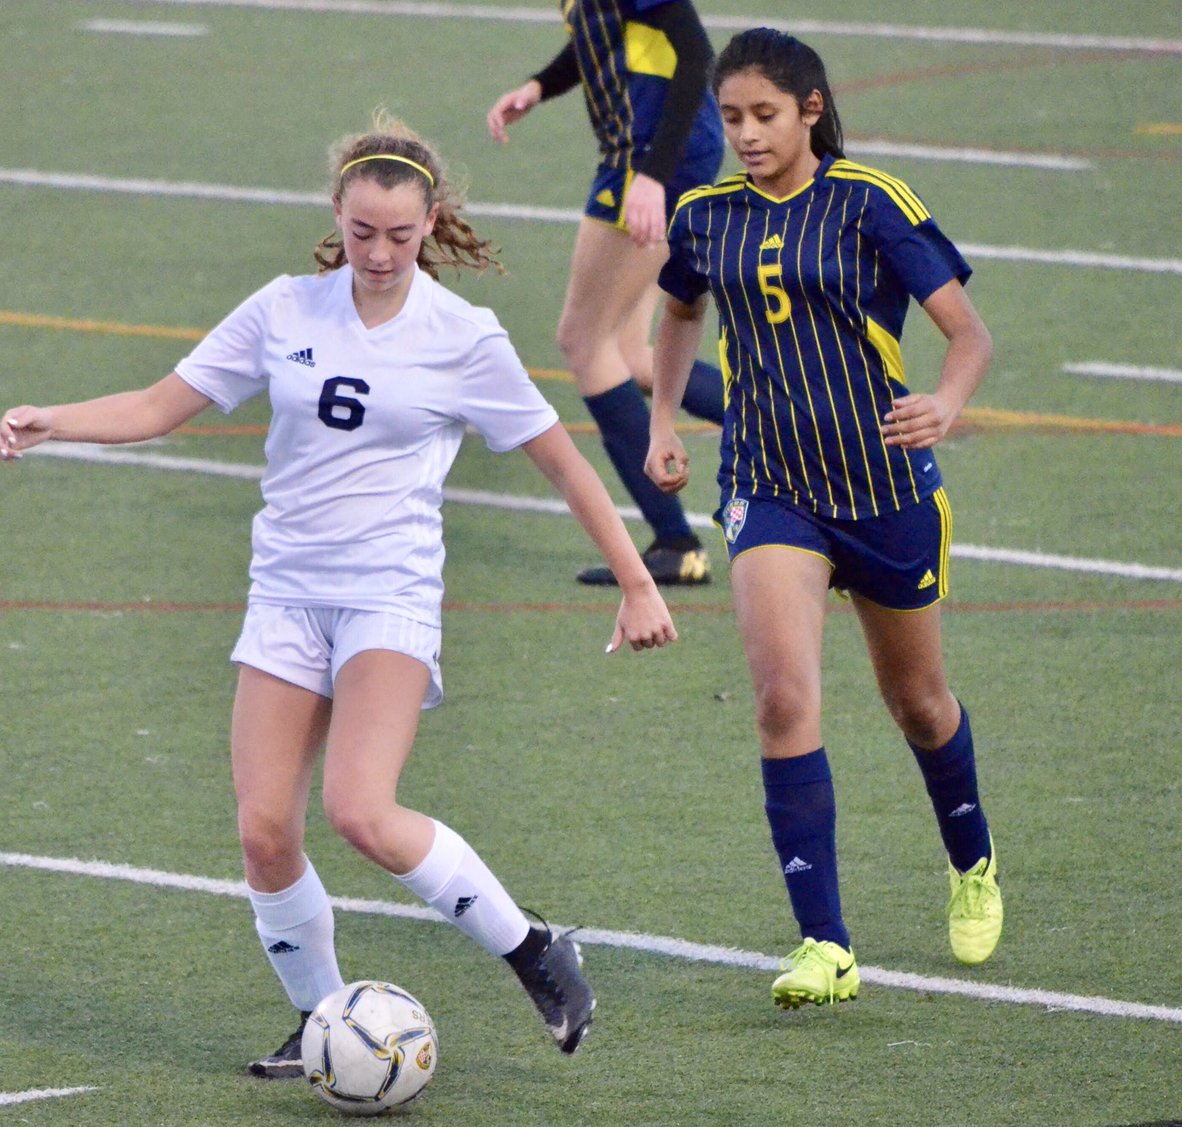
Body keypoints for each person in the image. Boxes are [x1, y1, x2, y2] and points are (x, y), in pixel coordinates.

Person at [1, 112, 678, 1070]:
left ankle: (534, 949)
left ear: (431, 220)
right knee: (265, 831)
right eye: (362, 233)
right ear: (337, 214)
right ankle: (325, 1023)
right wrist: (49, 421)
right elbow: (159, 404)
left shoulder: (462, 337)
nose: (380, 253)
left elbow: (564, 464)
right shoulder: (285, 308)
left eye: (401, 236)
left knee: (362, 808)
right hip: (285, 595)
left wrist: (638, 580)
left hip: (386, 597)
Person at [645, 28, 1003, 1009]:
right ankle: (825, 944)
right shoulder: (705, 217)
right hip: (772, 490)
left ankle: (970, 860)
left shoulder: (870, 203)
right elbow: (678, 314)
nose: (747, 135)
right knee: (780, 697)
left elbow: (967, 332)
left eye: (764, 115)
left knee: (920, 705)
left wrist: (946, 403)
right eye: (730, 119)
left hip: (884, 493)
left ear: (810, 109)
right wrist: (666, 418)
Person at [487, 0, 728, 587]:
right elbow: (601, 38)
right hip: (650, 159)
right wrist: (541, 85)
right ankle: (805, 430)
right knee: (628, 352)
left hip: (647, 163)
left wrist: (651, 176)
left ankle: (676, 541)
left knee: (582, 341)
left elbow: (696, 57)